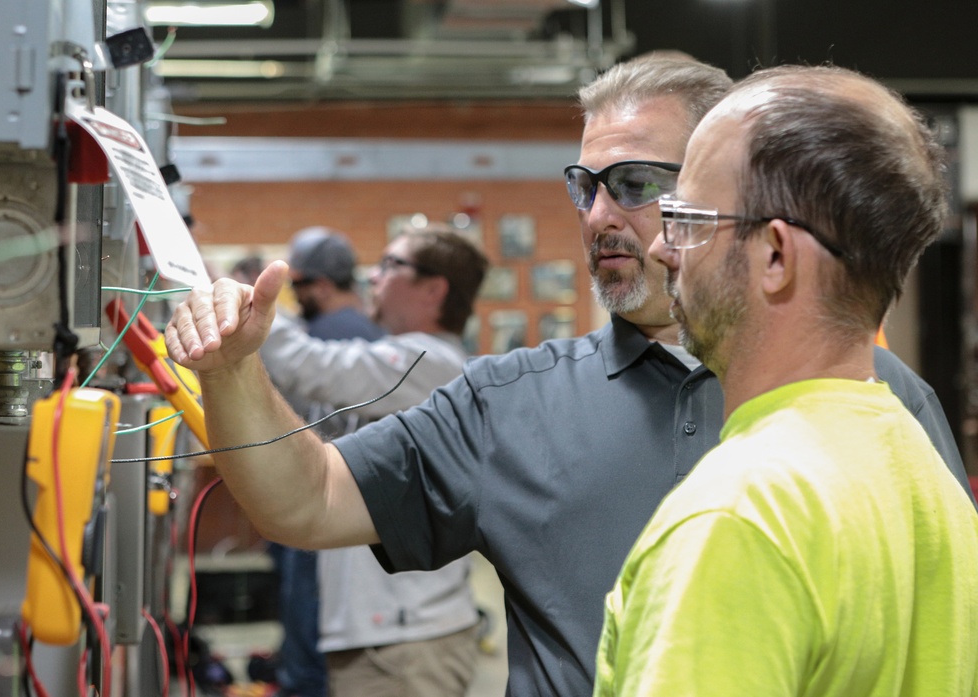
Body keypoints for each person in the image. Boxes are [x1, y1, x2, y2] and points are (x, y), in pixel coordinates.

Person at [164, 54, 975, 696]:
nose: (599, 219)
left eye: (636, 187)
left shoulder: (881, 405)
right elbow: (306, 497)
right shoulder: (512, 399)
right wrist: (234, 373)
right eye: (584, 187)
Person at [594, 64, 978, 696]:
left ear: (774, 255)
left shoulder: (739, 517)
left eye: (687, 219)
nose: (664, 249)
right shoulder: (926, 479)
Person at [261, 224, 488, 696]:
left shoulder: (433, 364)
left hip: (406, 642)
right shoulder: (399, 360)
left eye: (390, 265)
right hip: (379, 633)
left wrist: (240, 294)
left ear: (433, 288)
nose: (373, 278)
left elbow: (305, 364)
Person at [265, 227, 384, 697]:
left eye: (298, 288)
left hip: (315, 507)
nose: (297, 300)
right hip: (353, 519)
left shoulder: (315, 340)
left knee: (307, 657)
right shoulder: (377, 337)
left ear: (320, 285)